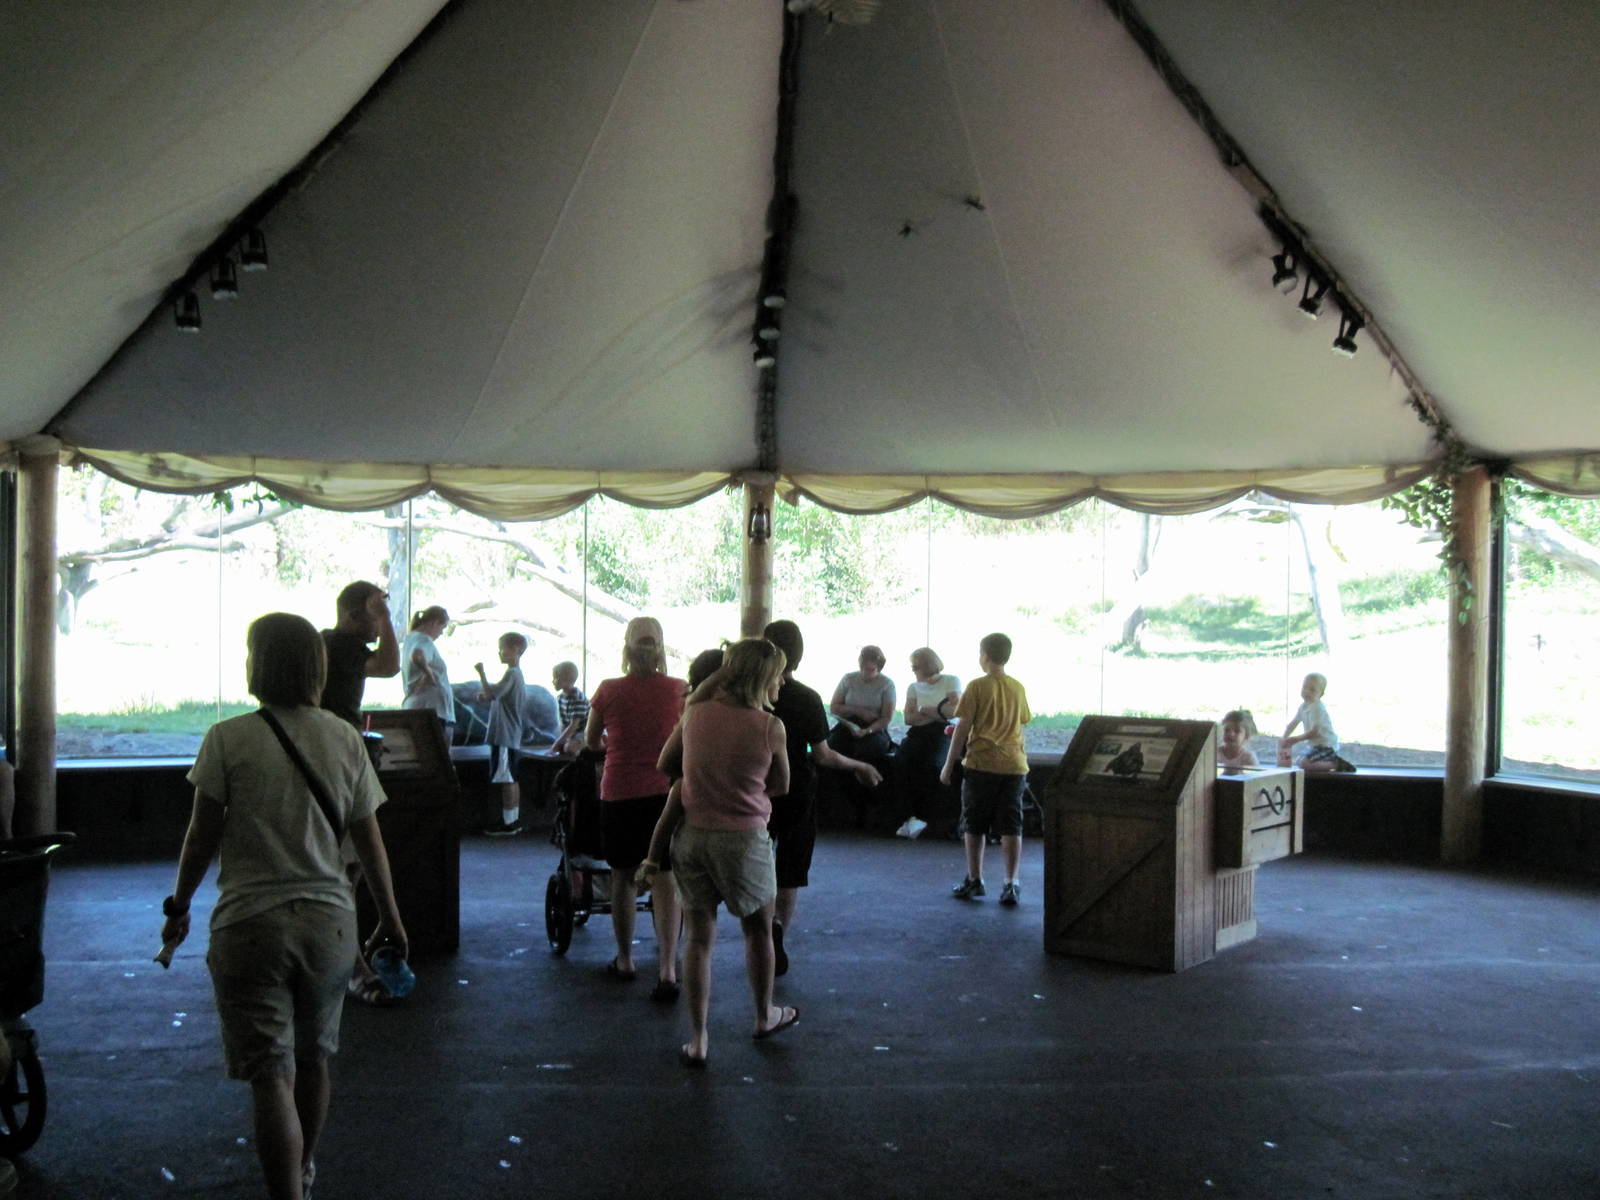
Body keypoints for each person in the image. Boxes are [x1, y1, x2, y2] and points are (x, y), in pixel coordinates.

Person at [158, 612, 407, 1200]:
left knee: (271, 1074)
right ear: (317, 669)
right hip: (329, 926)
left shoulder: (227, 738)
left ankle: (286, 1193)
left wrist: (180, 904)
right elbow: (369, 840)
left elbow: (201, 836)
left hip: (249, 925)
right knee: (316, 1057)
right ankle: (305, 1166)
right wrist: (391, 920)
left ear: (257, 664)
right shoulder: (345, 738)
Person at [638, 637, 795, 1067]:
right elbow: (782, 785)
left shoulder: (696, 715)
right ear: (765, 678)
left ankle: (698, 1038)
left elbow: (666, 764)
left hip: (692, 836)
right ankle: (765, 1015)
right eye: (778, 674)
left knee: (700, 938)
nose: (782, 680)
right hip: (744, 840)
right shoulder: (769, 726)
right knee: (758, 930)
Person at [761, 619, 881, 976]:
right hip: (797, 789)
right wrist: (859, 765)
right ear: (799, 655)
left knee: (757, 860)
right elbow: (823, 754)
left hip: (755, 789)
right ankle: (778, 926)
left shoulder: (749, 697)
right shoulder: (806, 698)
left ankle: (761, 923)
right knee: (791, 866)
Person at [584, 617, 685, 998]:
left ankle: (625, 958)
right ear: (661, 648)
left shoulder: (608, 691)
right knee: (665, 877)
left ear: (625, 649)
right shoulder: (678, 690)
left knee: (623, 877)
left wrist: (616, 740)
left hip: (619, 791)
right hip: (665, 793)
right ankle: (667, 969)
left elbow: (593, 740)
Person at [940, 632, 1031, 906]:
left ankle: (975, 879)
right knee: (1011, 825)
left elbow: (962, 729)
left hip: (981, 764)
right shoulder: (1017, 687)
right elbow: (1023, 719)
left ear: (985, 656)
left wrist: (948, 765)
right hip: (1015, 766)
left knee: (974, 824)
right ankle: (1011, 883)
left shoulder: (977, 686)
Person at [894, 647, 961, 839]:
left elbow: (956, 711)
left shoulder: (951, 681)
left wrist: (925, 709)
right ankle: (909, 816)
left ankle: (929, 818)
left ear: (926, 666)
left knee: (933, 765)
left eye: (915, 667)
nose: (913, 671)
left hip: (944, 733)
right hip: (918, 732)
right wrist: (937, 713)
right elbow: (909, 718)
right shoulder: (913, 687)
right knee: (902, 761)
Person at [318, 581, 400, 729]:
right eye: (375, 618)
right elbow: (388, 667)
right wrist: (384, 617)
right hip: (338, 732)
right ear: (354, 616)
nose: (379, 627)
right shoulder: (341, 643)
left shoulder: (330, 639)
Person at [476, 633, 529, 834]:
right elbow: (496, 695)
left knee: (507, 778)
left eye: (503, 648)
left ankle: (508, 823)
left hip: (505, 736)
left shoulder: (512, 674)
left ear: (516, 649)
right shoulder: (515, 675)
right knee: (510, 777)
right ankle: (512, 819)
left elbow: (493, 693)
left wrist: (481, 673)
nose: (500, 652)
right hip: (509, 735)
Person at [1278, 673, 1355, 772]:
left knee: (1305, 763)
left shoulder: (1317, 708)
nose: (1306, 692)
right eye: (1304, 687)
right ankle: (1325, 763)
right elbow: (1293, 723)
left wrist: (1296, 739)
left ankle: (1336, 764)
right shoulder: (1304, 706)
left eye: (1312, 690)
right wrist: (1284, 737)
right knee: (1298, 761)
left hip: (1326, 746)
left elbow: (1315, 732)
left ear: (1321, 694)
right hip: (1315, 746)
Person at [400, 605, 454, 744]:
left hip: (417, 705)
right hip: (431, 710)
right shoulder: (424, 640)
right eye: (442, 627)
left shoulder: (410, 639)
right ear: (435, 622)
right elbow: (417, 656)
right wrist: (430, 674)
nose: (441, 633)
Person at [550, 661, 589, 756]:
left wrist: (559, 742)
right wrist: (560, 740)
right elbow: (563, 723)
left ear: (566, 680)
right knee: (560, 746)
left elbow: (574, 725)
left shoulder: (577, 698)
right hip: (573, 733)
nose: (553, 681)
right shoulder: (560, 698)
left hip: (585, 732)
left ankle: (578, 765)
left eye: (555, 678)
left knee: (569, 748)